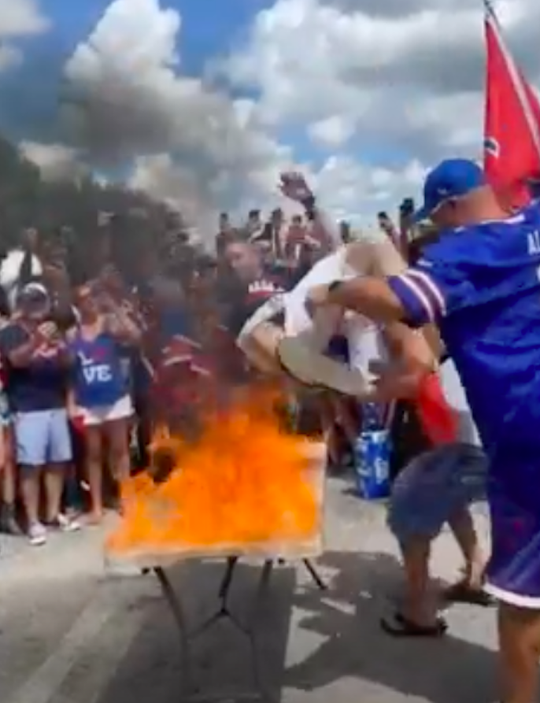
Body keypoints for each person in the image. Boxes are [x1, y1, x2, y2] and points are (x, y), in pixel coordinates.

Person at [305, 158, 540, 703]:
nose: (437, 235)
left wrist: (334, 289)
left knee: (522, 612)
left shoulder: (465, 252)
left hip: (526, 434)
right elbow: (423, 362)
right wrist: (380, 384)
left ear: (451, 208)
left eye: (438, 223)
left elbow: (396, 300)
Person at [385, 356, 490, 637]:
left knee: (408, 513)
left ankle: (419, 613)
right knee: (451, 500)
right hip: (484, 440)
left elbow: (414, 374)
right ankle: (474, 578)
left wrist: (353, 383)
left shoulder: (423, 329)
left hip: (464, 446)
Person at [0, 282, 78, 545]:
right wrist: (37, 341)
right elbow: (16, 361)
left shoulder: (54, 328)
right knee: (31, 466)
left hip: (55, 404)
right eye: (30, 301)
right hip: (27, 407)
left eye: (40, 301)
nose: (35, 306)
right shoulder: (11, 331)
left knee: (57, 462)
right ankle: (32, 521)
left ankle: (52, 513)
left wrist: (61, 346)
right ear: (21, 304)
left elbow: (69, 363)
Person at [68, 283, 141, 523]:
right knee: (94, 454)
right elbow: (71, 371)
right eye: (83, 299)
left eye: (92, 297)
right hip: (88, 399)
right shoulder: (73, 333)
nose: (89, 302)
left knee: (120, 450)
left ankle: (126, 498)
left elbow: (135, 336)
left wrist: (116, 309)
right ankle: (96, 507)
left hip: (115, 395)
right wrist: (70, 401)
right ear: (77, 305)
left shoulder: (109, 324)